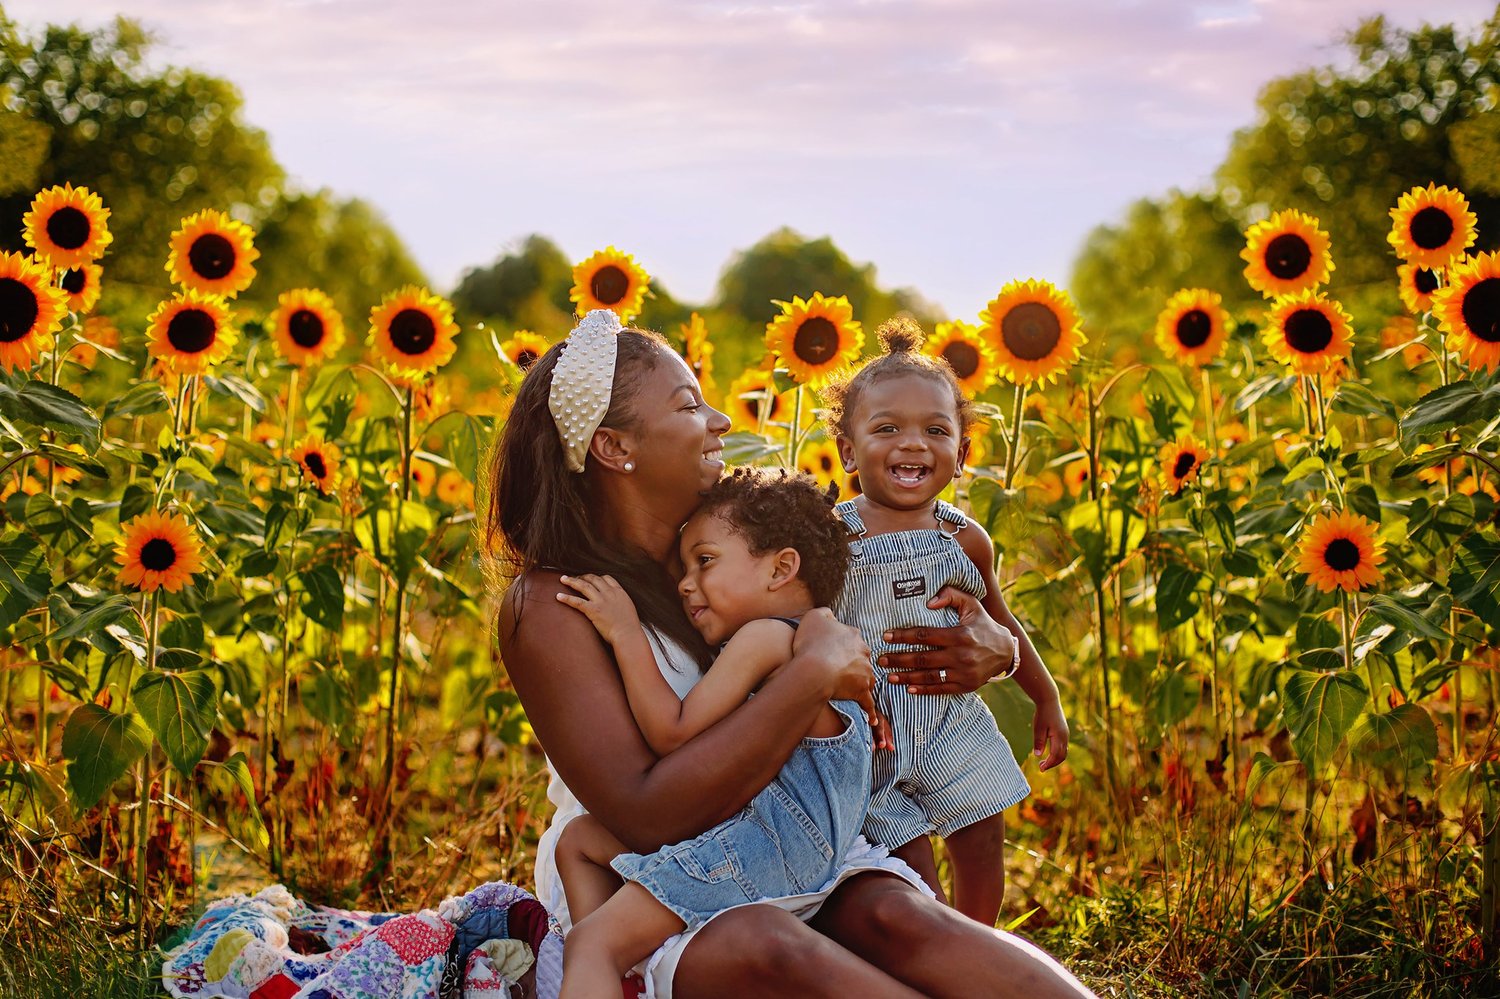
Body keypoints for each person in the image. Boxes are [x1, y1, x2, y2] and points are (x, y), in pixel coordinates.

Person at [486, 307, 1095, 998]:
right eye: (690, 404)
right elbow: (642, 814)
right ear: (614, 446)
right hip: (647, 882)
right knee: (772, 946)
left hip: (794, 844)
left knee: (900, 918)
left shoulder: (726, 548)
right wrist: (806, 676)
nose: (720, 420)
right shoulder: (554, 603)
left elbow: (888, 587)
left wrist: (997, 645)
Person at [551, 468, 883, 997]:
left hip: (767, 846)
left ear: (781, 568)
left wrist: (625, 631)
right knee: (578, 840)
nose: (685, 583)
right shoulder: (819, 642)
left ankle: (606, 961)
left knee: (590, 942)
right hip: (806, 851)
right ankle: (626, 977)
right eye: (683, 567)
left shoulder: (765, 639)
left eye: (704, 560)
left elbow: (672, 732)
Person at [821, 316, 1071, 925]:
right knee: (910, 870)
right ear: (848, 451)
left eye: (936, 430)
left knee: (983, 830)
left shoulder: (963, 538)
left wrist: (1046, 697)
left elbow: (1000, 620)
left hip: (949, 719)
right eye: (887, 429)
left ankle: (981, 941)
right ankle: (938, 955)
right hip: (870, 731)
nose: (913, 444)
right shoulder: (831, 538)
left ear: (961, 454)